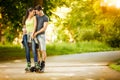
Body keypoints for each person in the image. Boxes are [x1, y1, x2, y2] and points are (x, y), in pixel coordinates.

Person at [22, 7, 40, 72]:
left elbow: (35, 26)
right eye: (33, 12)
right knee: (27, 50)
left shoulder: (34, 18)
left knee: (34, 49)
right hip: (25, 35)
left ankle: (36, 65)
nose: (34, 13)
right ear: (29, 12)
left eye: (35, 12)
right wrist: (23, 30)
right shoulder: (25, 18)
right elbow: (24, 27)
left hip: (32, 35)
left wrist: (33, 33)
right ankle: (28, 65)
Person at [34, 5, 49, 72]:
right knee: (37, 50)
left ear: (40, 10)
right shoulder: (36, 17)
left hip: (41, 36)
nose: (36, 13)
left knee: (43, 50)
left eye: (37, 11)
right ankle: (38, 64)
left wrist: (36, 33)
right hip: (35, 36)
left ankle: (43, 65)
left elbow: (44, 28)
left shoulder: (45, 17)